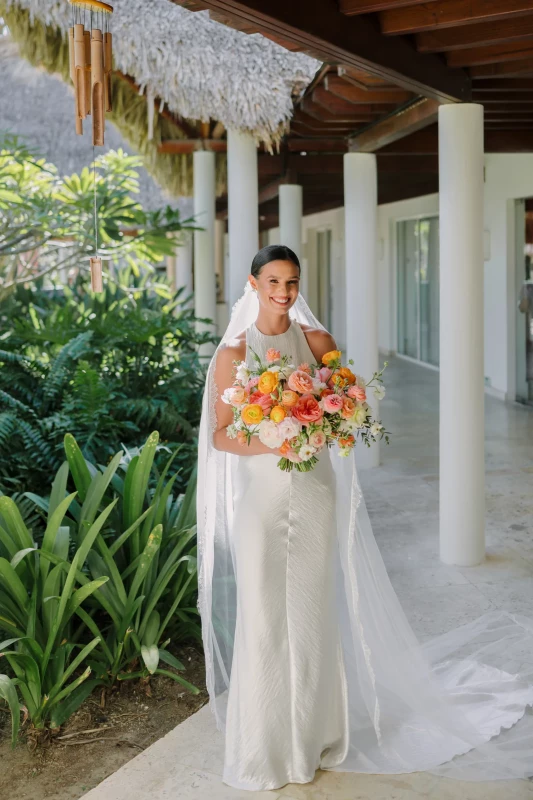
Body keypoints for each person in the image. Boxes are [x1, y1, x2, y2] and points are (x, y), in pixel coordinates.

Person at [196, 244, 533, 792]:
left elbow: (348, 408)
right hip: (262, 499)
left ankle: (316, 735)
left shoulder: (318, 342)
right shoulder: (233, 353)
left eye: (292, 281)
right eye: (274, 281)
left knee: (312, 613)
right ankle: (264, 747)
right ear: (253, 283)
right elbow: (220, 435)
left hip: (314, 491)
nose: (284, 292)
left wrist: (326, 421)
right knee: (262, 617)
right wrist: (276, 438)